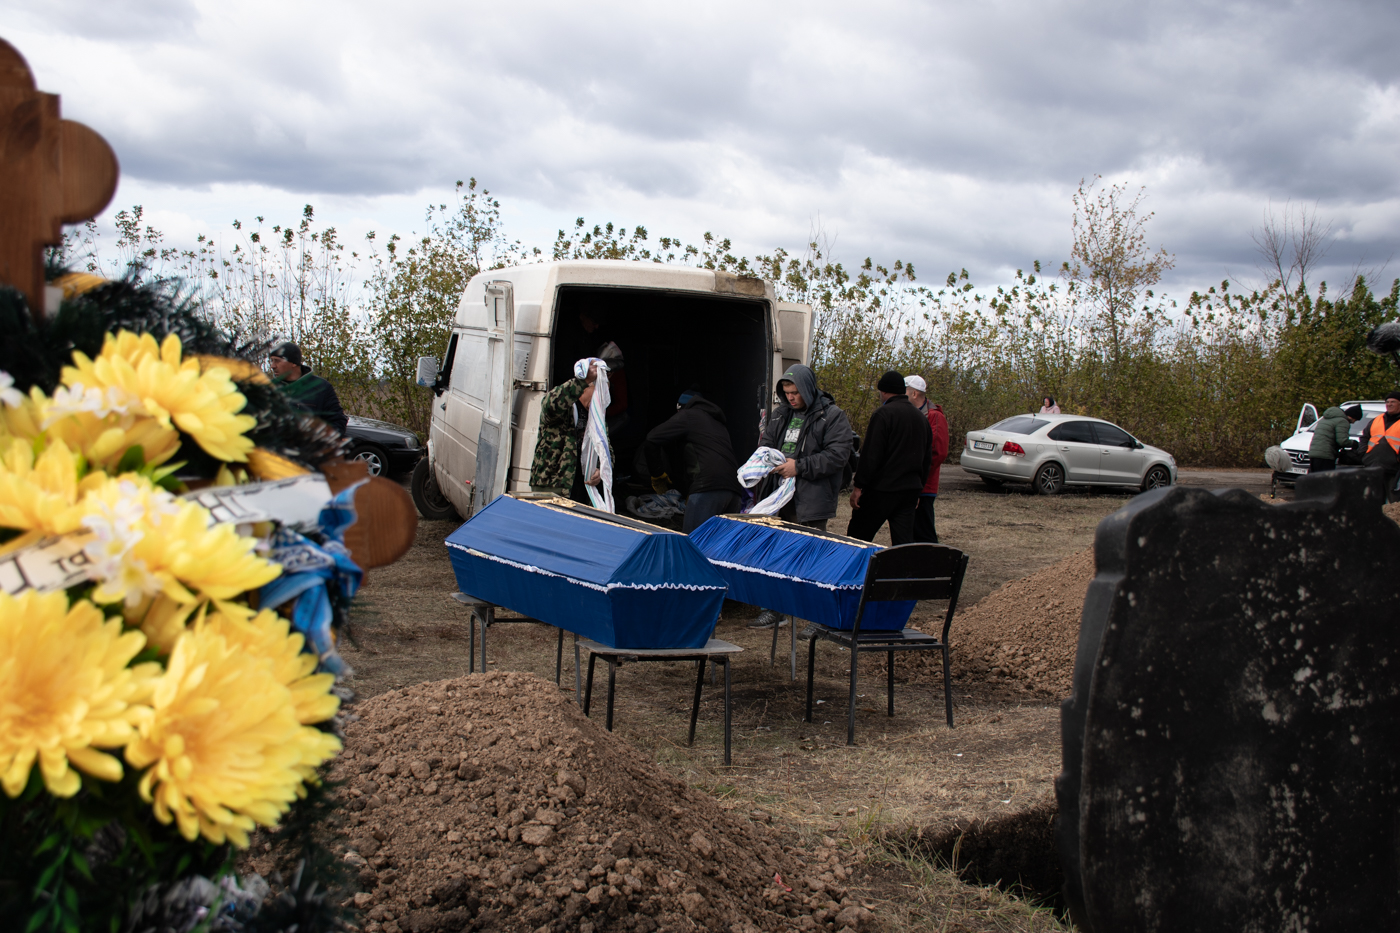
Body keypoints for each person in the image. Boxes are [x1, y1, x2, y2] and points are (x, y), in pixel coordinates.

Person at [747, 363, 853, 629]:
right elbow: (765, 444)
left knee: (813, 557)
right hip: (779, 497)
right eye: (786, 392)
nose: (791, 397)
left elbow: (838, 455)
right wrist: (766, 461)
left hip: (811, 498)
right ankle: (774, 609)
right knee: (774, 554)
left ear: (808, 388)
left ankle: (819, 616)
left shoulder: (832, 416)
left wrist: (799, 466)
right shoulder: (780, 414)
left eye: (795, 392)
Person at [847, 371, 932, 545]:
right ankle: (901, 571)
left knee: (858, 537)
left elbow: (871, 455)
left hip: (880, 491)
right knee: (903, 543)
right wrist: (919, 488)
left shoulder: (883, 414)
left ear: (884, 391)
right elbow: (926, 459)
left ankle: (852, 570)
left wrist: (859, 486)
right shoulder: (921, 419)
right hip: (909, 491)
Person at [642, 390, 743, 533]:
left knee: (691, 546)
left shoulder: (688, 415)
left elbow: (651, 439)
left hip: (708, 487)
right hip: (734, 491)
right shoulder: (717, 424)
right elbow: (700, 459)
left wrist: (657, 474)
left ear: (680, 408)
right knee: (720, 550)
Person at [529, 361, 604, 502]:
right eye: (597, 393)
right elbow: (551, 404)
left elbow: (606, 448)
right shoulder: (565, 407)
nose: (600, 400)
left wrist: (600, 470)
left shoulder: (597, 415)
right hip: (553, 485)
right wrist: (582, 380)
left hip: (582, 488)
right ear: (584, 389)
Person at [905, 375, 949, 542]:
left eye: (905, 391)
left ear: (915, 394)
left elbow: (938, 452)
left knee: (923, 530)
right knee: (910, 530)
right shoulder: (911, 413)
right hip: (910, 483)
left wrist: (918, 477)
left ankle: (932, 563)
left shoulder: (934, 416)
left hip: (924, 486)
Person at [268, 341, 347, 434]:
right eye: (271, 361)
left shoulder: (321, 388)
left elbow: (337, 422)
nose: (272, 366)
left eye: (277, 361)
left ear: (293, 362)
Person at [1362, 391, 1400, 501]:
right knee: (1373, 501)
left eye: (1393, 402)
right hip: (1373, 466)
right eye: (1387, 402)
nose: (1389, 404)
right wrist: (1363, 453)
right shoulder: (1376, 420)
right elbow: (1365, 437)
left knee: (1395, 502)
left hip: (1394, 469)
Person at [1308, 405, 1360, 473]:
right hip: (1326, 455)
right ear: (1352, 416)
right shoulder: (1343, 421)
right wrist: (1354, 443)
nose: (1353, 422)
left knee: (1315, 480)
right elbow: (1342, 441)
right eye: (1355, 420)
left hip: (1313, 452)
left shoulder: (1325, 418)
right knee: (1326, 481)